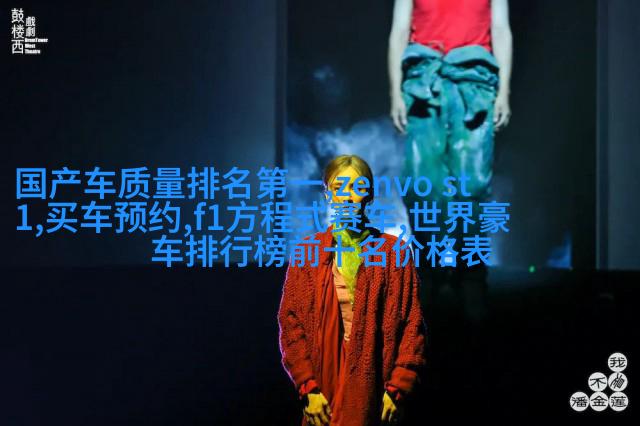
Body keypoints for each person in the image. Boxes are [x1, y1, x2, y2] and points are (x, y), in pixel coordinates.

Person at [387, 0, 512, 350]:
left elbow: (500, 29)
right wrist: (396, 92)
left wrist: (504, 91)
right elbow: (400, 30)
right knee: (422, 184)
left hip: (475, 82)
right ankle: (427, 272)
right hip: (423, 80)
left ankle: (470, 275)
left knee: (472, 185)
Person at [278, 154, 427, 425]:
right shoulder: (308, 253)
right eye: (338, 188)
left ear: (369, 196)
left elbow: (411, 325)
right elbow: (291, 324)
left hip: (376, 390)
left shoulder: (393, 253)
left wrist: (398, 387)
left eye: (357, 188)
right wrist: (308, 388)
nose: (347, 197)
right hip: (323, 389)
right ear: (327, 194)